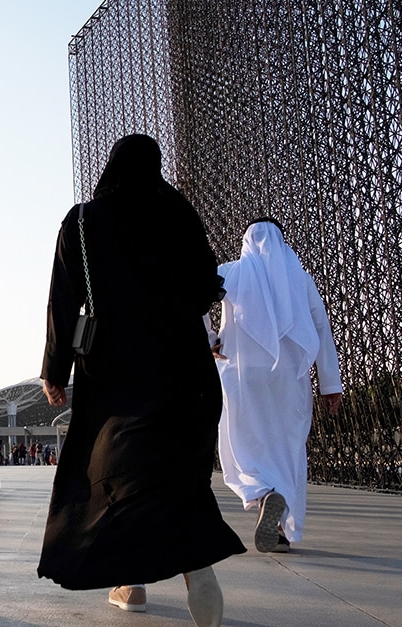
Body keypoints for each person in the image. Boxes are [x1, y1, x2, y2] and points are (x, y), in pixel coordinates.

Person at [36, 134, 244, 626]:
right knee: (178, 483)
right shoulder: (178, 216)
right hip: (187, 375)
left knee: (117, 478)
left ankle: (130, 583)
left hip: (116, 376)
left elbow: (62, 301)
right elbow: (205, 288)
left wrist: (54, 371)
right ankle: (194, 576)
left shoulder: (83, 222)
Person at [211, 218, 343, 553]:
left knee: (242, 445)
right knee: (287, 450)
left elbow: (192, 298)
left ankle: (262, 493)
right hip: (290, 378)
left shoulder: (230, 272)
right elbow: (321, 326)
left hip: (242, 374)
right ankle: (282, 528)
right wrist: (330, 383)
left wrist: (209, 339)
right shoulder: (300, 278)